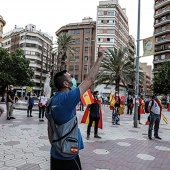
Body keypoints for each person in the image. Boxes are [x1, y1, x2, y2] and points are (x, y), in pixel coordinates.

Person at [47, 50, 104, 170]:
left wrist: (56, 145)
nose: (73, 79)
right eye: (71, 77)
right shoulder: (67, 98)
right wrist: (99, 58)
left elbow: (50, 128)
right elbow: (90, 80)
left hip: (56, 152)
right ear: (66, 84)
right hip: (68, 155)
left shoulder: (52, 100)